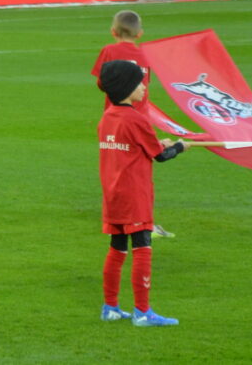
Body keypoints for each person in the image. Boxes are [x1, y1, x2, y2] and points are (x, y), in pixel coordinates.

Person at [96, 59, 185, 326]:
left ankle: (110, 308)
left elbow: (136, 146)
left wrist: (158, 142)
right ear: (127, 87)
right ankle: (143, 312)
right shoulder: (137, 119)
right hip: (134, 195)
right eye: (139, 82)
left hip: (113, 195)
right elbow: (160, 156)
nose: (144, 87)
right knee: (142, 246)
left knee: (117, 248)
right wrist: (179, 147)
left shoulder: (107, 117)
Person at [91, 9, 171, 238]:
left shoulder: (109, 50)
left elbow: (101, 82)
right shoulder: (145, 55)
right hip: (140, 119)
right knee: (141, 172)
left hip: (115, 118)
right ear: (140, 33)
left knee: (114, 168)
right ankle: (144, 222)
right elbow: (145, 84)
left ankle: (119, 219)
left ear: (113, 31)